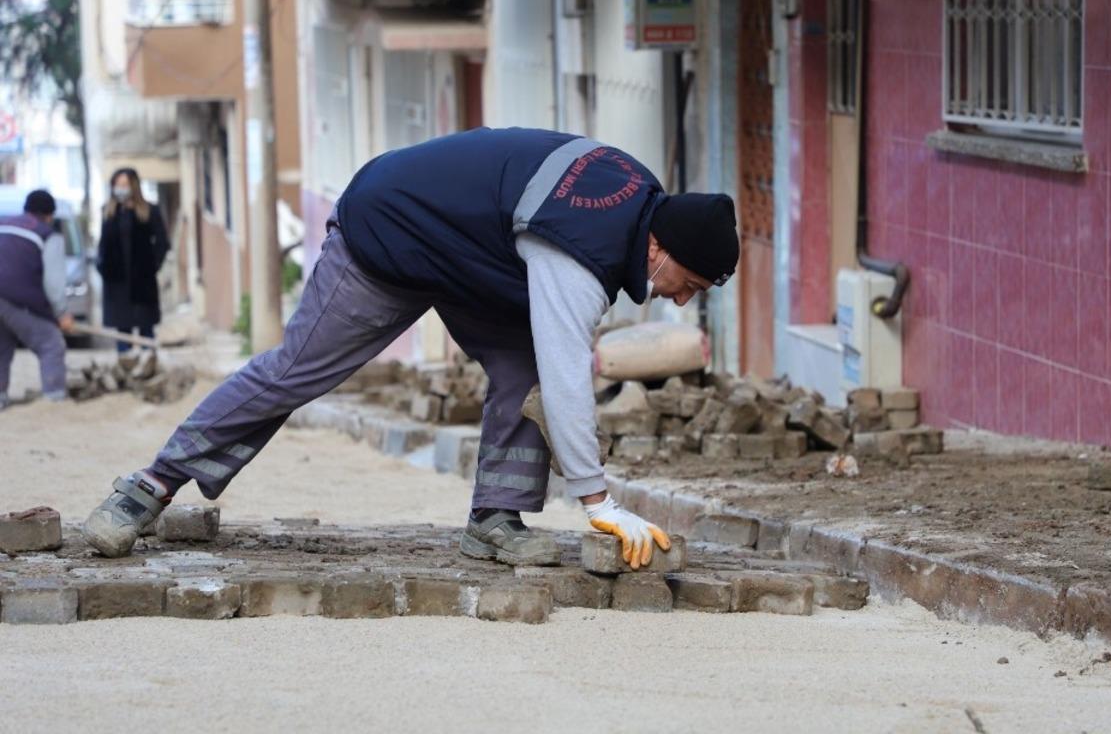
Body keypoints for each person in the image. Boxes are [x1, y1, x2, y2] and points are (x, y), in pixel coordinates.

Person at [82, 127, 739, 570]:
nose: (683, 300)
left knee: (524, 369)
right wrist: (601, 504)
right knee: (296, 372)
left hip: (478, 254)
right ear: (662, 248)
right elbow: (571, 378)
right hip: (392, 229)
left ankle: (494, 520)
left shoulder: (642, 205)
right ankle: (147, 487)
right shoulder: (581, 244)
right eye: (692, 284)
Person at [0, 189, 75, 410]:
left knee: (1, 347)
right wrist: (62, 313)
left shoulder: (4, 224)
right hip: (17, 299)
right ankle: (54, 400)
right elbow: (54, 283)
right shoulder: (48, 234)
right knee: (51, 344)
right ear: (49, 215)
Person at [97, 167, 169, 351]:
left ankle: (148, 369)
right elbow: (103, 246)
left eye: (124, 185)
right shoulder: (108, 212)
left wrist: (152, 266)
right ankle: (125, 370)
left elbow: (162, 242)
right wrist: (103, 267)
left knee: (146, 331)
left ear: (133, 186)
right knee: (122, 333)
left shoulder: (149, 211)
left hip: (142, 283)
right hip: (117, 284)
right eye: (117, 185)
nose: (120, 189)